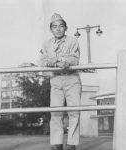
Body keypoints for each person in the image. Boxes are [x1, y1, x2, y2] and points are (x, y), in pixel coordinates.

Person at [38, 13, 82, 150]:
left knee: (74, 112)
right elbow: (41, 62)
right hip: (55, 80)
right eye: (55, 27)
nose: (58, 29)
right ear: (50, 29)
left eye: (61, 26)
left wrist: (55, 59)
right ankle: (57, 143)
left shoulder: (72, 41)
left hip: (72, 79)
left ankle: (71, 144)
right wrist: (60, 61)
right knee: (56, 113)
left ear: (66, 28)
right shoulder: (46, 44)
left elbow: (74, 59)